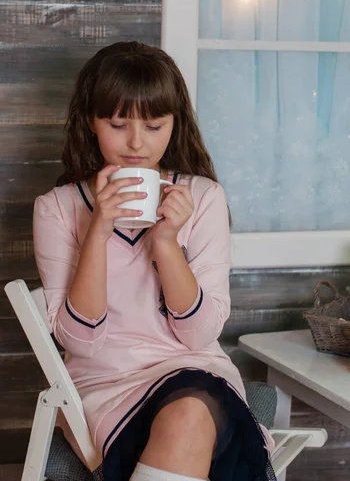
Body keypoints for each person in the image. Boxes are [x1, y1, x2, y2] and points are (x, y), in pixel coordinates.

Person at [33, 42, 276, 481]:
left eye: (153, 125)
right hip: (107, 387)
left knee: (191, 408)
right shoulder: (58, 208)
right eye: (117, 123)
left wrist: (166, 242)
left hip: (198, 374)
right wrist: (98, 230)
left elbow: (199, 334)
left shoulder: (203, 199)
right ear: (91, 122)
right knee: (189, 416)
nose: (136, 143)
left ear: (173, 124)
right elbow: (81, 342)